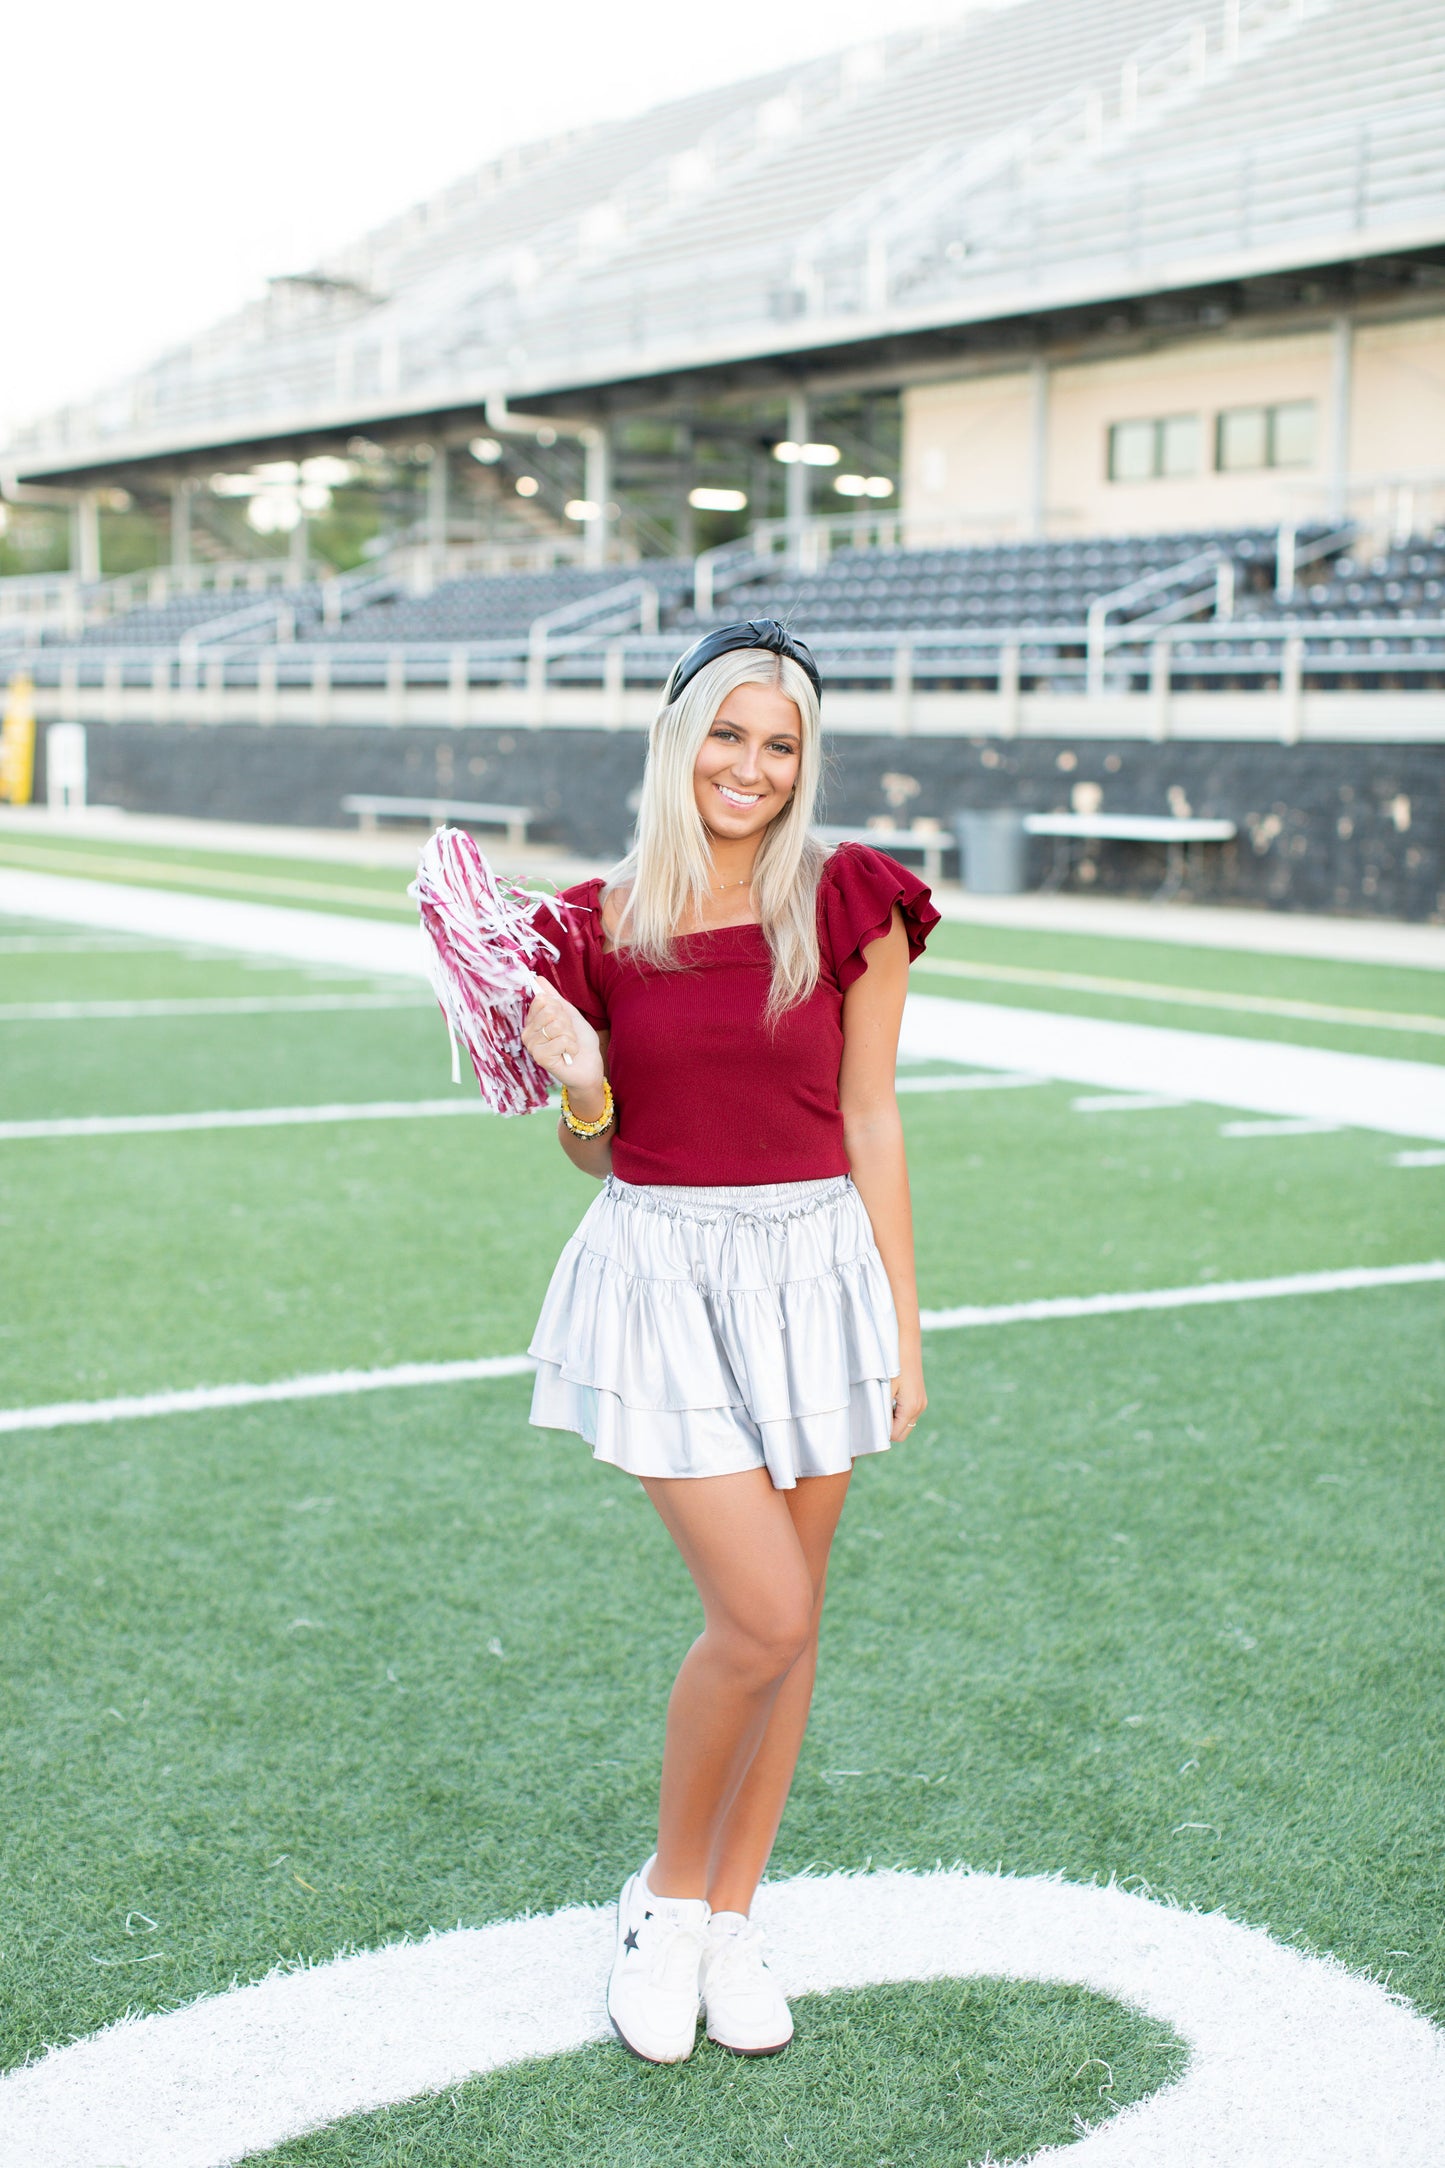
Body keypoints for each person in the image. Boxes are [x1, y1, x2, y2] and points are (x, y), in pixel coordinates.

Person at [522, 620, 938, 2065]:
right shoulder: (591, 921)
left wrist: (902, 1321)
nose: (750, 767)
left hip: (816, 1271)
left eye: (780, 744)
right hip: (661, 1273)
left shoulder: (849, 904)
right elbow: (595, 1150)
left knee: (794, 1625)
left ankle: (732, 1917)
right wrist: (579, 1085)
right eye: (727, 733)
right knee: (754, 1615)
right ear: (676, 738)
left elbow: (874, 1116)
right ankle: (664, 1899)